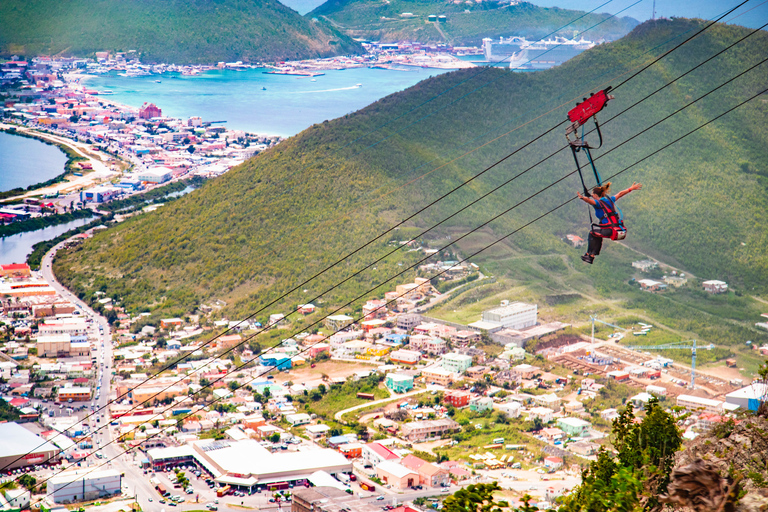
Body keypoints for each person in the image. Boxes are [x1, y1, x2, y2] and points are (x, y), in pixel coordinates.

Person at [576, 181, 642, 264]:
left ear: (596, 195)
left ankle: (589, 254)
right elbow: (620, 194)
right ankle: (591, 255)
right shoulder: (610, 200)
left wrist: (582, 197)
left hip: (609, 230)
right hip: (616, 229)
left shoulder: (598, 203)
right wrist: (631, 188)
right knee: (597, 235)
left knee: (592, 233)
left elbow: (589, 201)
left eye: (593, 195)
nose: (592, 196)